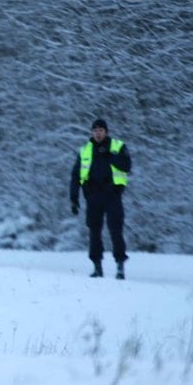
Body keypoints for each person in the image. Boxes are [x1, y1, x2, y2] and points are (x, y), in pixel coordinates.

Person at [70, 118, 131, 279]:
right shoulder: (85, 151)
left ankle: (120, 266)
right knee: (94, 231)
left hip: (113, 195)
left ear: (106, 132)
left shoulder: (117, 147)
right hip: (93, 196)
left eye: (101, 130)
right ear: (92, 132)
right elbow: (75, 175)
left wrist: (110, 156)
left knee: (115, 230)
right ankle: (97, 266)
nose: (98, 133)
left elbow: (127, 166)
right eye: (95, 130)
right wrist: (74, 198)